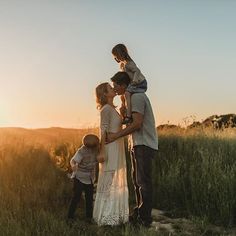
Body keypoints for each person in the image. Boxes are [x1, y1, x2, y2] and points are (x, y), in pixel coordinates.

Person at [107, 71, 158, 227]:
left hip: (144, 143)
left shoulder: (136, 97)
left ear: (123, 85)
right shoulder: (129, 99)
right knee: (137, 181)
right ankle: (139, 214)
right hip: (136, 144)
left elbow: (137, 124)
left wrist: (116, 136)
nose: (114, 88)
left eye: (116, 85)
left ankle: (145, 220)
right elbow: (131, 122)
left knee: (143, 182)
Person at [93, 82, 129, 226]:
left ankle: (113, 213)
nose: (113, 88)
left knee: (113, 179)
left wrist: (123, 105)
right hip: (110, 147)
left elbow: (122, 124)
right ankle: (104, 216)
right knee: (108, 180)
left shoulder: (112, 109)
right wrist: (102, 151)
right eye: (109, 88)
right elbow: (103, 131)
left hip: (117, 145)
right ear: (104, 94)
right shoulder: (105, 109)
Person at [112, 43, 147, 124]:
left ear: (121, 54)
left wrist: (134, 81)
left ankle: (128, 117)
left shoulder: (129, 64)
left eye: (116, 55)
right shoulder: (123, 64)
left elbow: (137, 71)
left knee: (127, 93)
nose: (116, 58)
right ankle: (124, 108)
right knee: (123, 96)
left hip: (140, 83)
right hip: (136, 83)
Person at [67, 134, 99, 222]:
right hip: (79, 178)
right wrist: (73, 165)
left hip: (89, 178)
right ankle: (70, 216)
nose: (91, 150)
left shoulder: (97, 149)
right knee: (76, 197)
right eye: (89, 148)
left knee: (89, 198)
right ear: (85, 146)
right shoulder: (82, 151)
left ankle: (89, 217)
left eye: (93, 148)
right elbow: (73, 160)